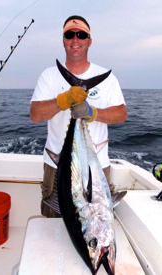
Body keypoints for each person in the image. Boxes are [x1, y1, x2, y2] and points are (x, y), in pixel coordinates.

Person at [30, 15, 127, 217]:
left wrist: (94, 113)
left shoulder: (107, 79)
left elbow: (121, 115)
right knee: (53, 224)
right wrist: (62, 101)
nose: (76, 40)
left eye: (81, 35)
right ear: (63, 40)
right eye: (70, 35)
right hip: (58, 166)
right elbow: (35, 115)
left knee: (95, 220)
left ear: (89, 41)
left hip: (97, 166)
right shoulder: (49, 76)